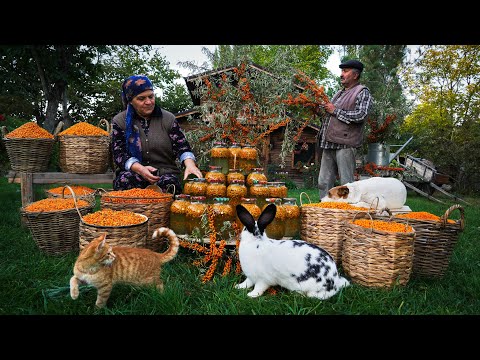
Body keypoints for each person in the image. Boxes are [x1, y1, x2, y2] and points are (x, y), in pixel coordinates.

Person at [111, 74, 203, 194]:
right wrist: (139, 168)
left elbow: (182, 146)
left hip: (164, 173)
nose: (148, 102)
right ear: (130, 101)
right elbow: (119, 153)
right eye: (141, 98)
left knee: (170, 185)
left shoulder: (168, 118)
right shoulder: (119, 121)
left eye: (151, 96)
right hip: (134, 173)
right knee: (125, 182)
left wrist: (190, 165)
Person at [316, 59, 373, 200]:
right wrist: (320, 110)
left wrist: (335, 111)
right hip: (329, 143)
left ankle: (347, 213)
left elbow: (362, 115)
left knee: (346, 185)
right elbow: (331, 115)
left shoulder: (362, 92)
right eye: (342, 71)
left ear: (355, 75)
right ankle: (324, 211)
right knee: (323, 182)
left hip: (346, 145)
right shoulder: (338, 93)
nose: (342, 74)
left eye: (345, 71)